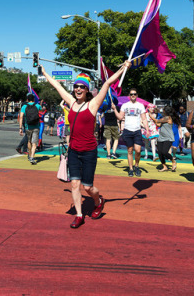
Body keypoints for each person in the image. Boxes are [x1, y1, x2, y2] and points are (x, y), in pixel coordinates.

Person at [41, 61, 132, 229]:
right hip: (74, 151)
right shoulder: (71, 102)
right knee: (75, 184)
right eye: (76, 86)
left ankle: (99, 201)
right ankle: (79, 215)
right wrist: (44, 73)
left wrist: (123, 68)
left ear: (87, 90)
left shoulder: (93, 104)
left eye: (82, 87)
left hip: (89, 152)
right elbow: (56, 86)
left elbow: (107, 83)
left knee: (88, 187)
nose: (78, 89)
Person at [114, 88, 150, 177]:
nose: (133, 95)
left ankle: (136, 166)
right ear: (129, 96)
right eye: (131, 94)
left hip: (137, 130)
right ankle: (130, 168)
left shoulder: (141, 106)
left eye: (134, 94)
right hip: (127, 130)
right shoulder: (125, 105)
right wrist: (115, 109)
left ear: (137, 95)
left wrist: (147, 130)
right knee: (130, 150)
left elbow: (144, 119)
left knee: (138, 150)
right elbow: (119, 117)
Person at [151, 106, 178, 172]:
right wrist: (156, 122)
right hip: (161, 137)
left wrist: (150, 115)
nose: (162, 111)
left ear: (166, 111)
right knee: (160, 152)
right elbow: (158, 125)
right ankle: (164, 166)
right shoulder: (164, 118)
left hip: (168, 137)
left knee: (164, 152)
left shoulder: (168, 118)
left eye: (163, 110)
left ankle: (173, 161)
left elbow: (157, 121)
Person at [19, 93, 41, 165]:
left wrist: (20, 128)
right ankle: (32, 157)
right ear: (34, 99)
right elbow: (42, 112)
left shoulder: (24, 106)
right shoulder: (37, 106)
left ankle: (29, 154)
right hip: (36, 126)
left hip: (27, 126)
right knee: (34, 143)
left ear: (27, 99)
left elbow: (21, 117)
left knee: (29, 141)